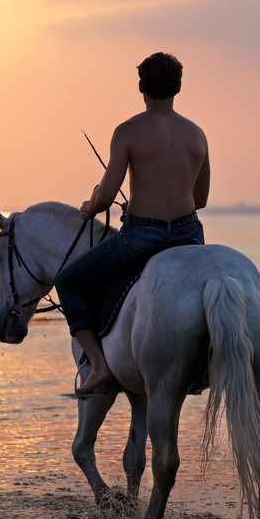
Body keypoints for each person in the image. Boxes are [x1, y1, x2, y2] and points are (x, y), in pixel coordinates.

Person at [54, 52, 210, 396]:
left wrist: (88, 206)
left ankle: (98, 364)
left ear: (141, 86)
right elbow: (200, 200)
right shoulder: (197, 135)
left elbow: (106, 198)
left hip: (141, 237)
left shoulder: (127, 131)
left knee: (68, 281)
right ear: (178, 87)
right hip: (188, 236)